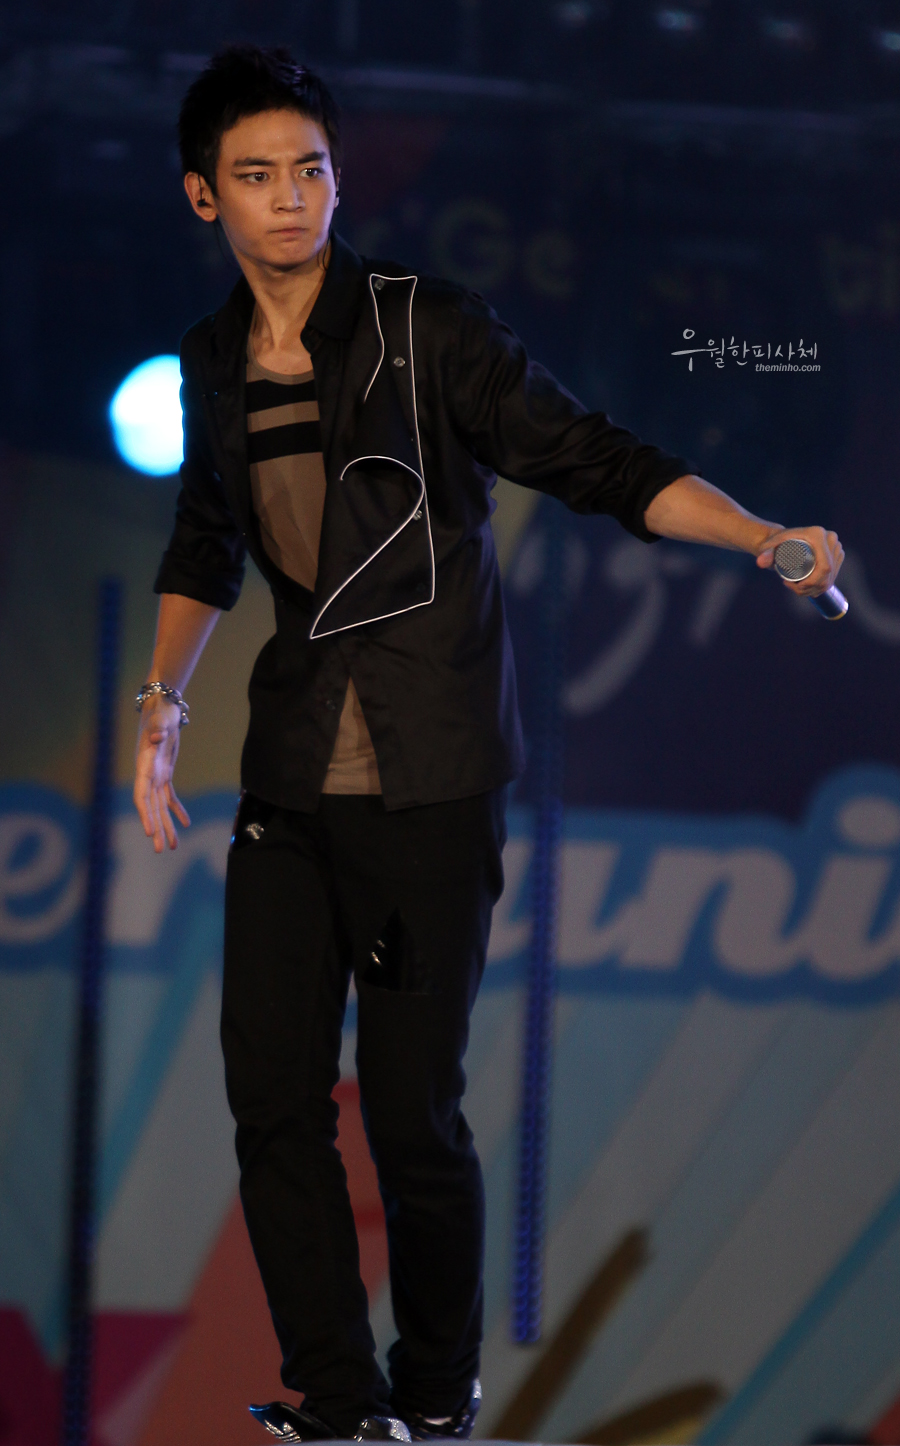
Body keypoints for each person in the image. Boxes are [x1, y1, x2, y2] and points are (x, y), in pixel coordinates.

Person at [133, 43, 844, 1446]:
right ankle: (343, 1406)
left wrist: (762, 535)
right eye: (257, 177)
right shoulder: (209, 362)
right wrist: (162, 711)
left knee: (411, 1116)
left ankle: (434, 1396)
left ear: (338, 178)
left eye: (311, 170)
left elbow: (601, 461)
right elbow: (205, 542)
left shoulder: (429, 330)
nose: (292, 198)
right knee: (270, 1097)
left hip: (430, 779)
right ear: (204, 196)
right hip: (290, 780)